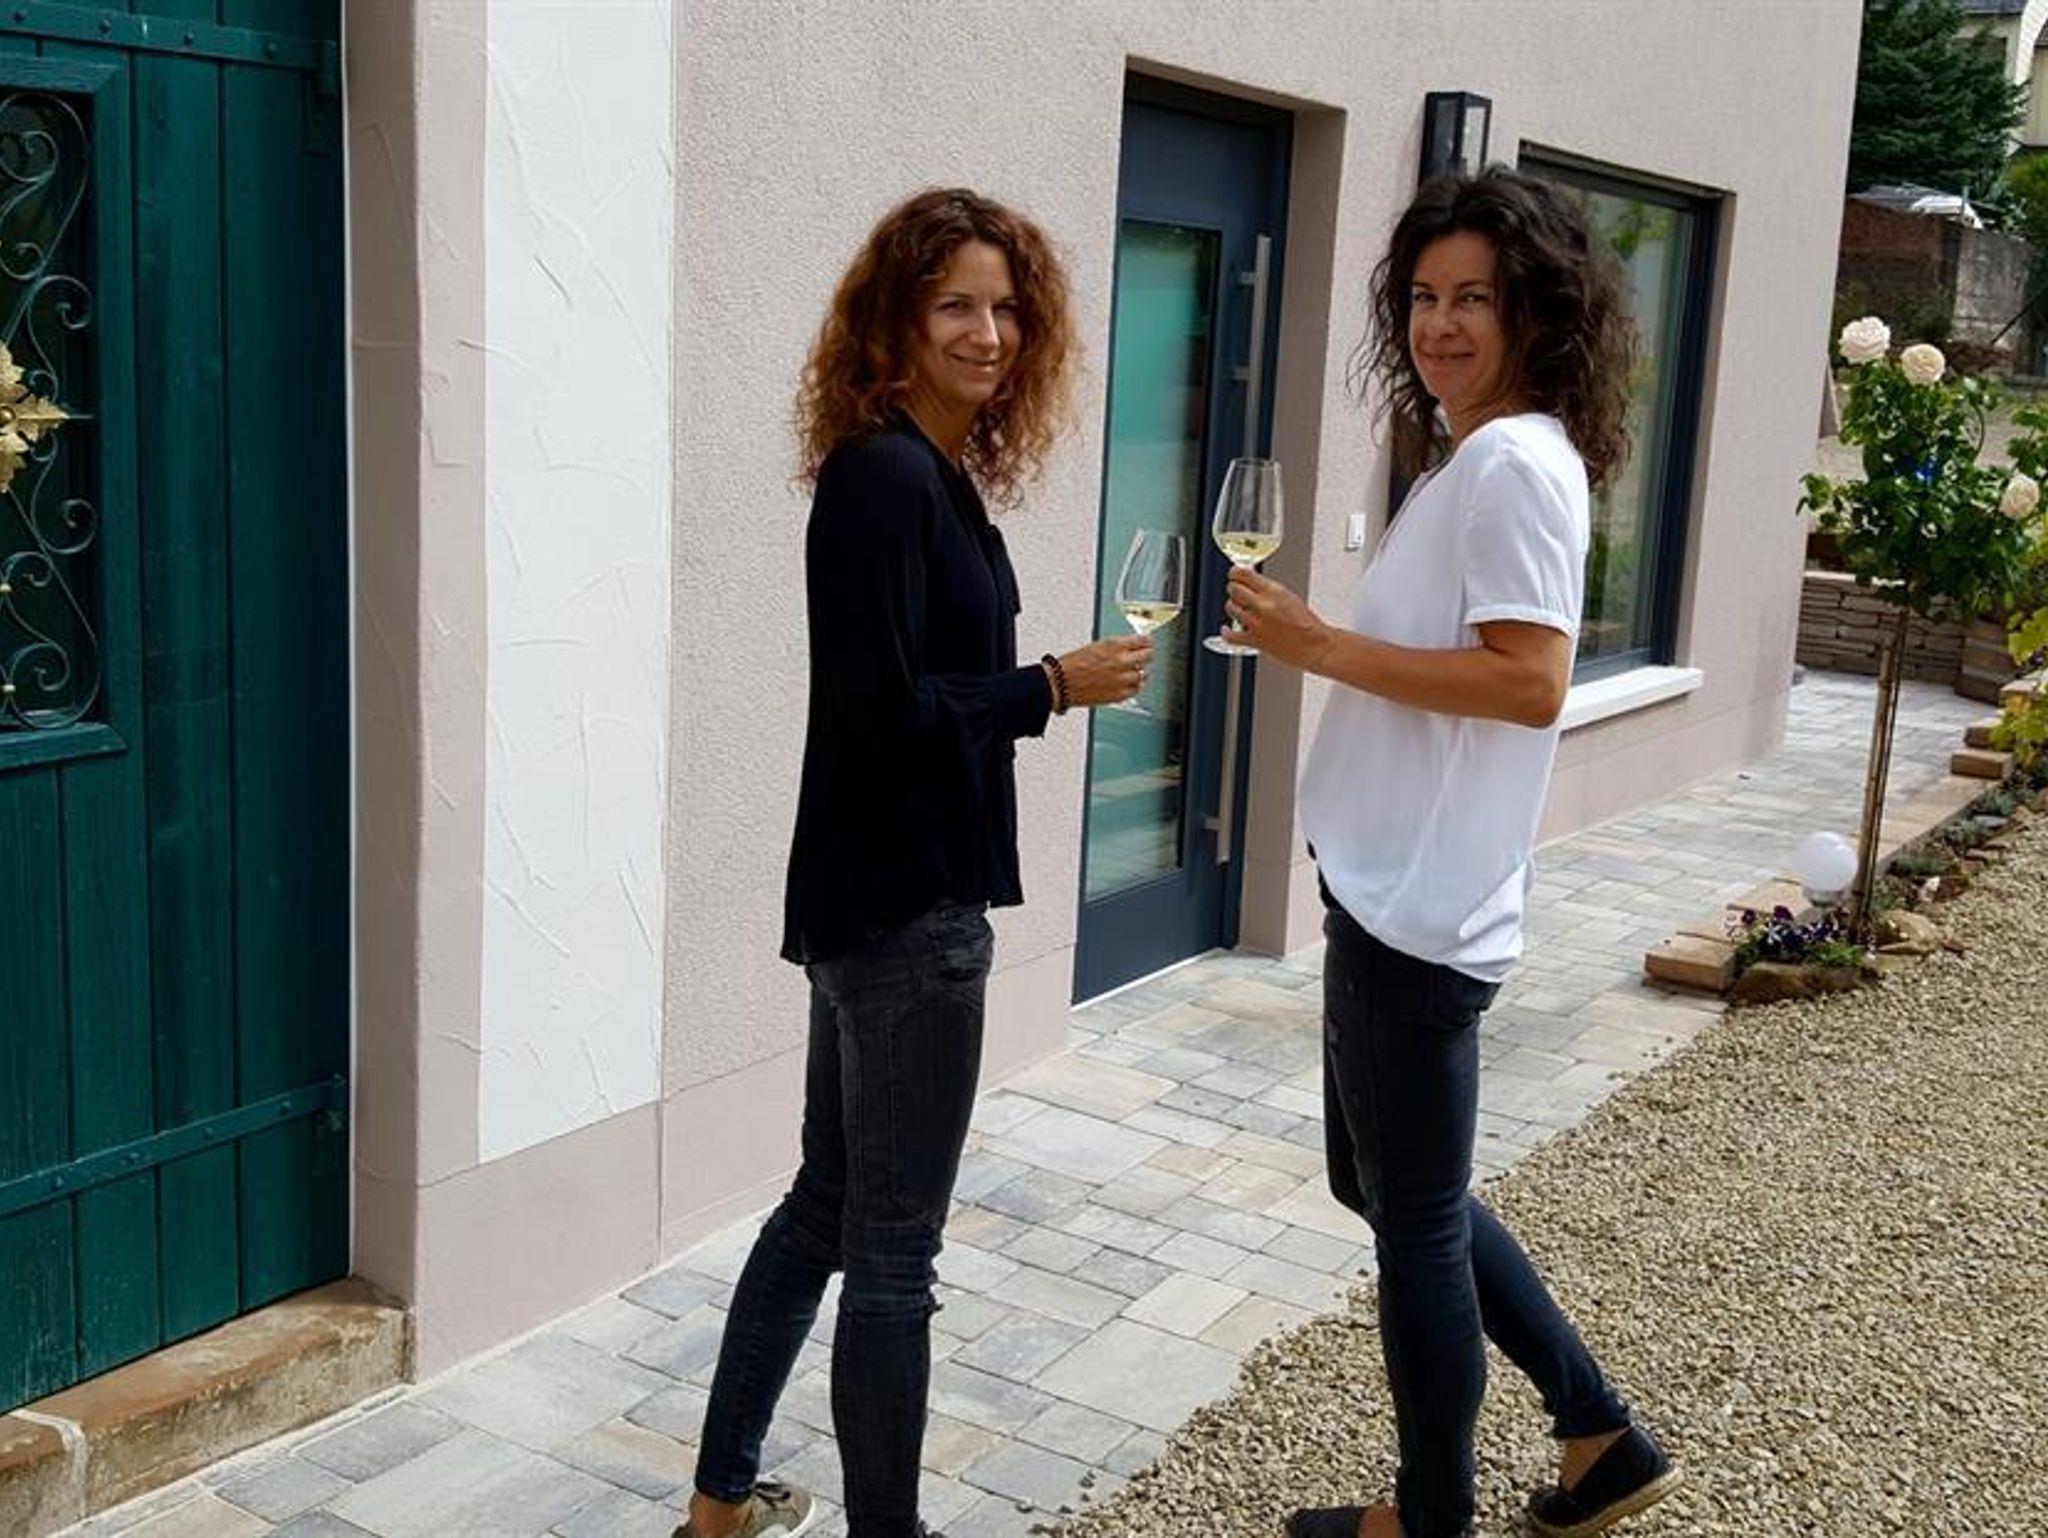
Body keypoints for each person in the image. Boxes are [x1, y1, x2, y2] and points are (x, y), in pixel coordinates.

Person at [675, 189, 1149, 1538]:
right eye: (956, 306)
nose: (988, 333)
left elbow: (900, 699)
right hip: (908, 912)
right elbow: (881, 718)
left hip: (868, 905)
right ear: (898, 320)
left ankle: (718, 1509)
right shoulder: (885, 478)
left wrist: (1030, 686)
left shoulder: (921, 475)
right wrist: (1050, 683)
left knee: (826, 1208)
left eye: (1006, 309)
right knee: (892, 1254)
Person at [1223, 168, 1680, 1538]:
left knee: (1413, 1217)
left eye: (1474, 297)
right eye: (1424, 297)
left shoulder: (1511, 463)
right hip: (1399, 887)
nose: (1440, 325)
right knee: (1382, 1184)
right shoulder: (1482, 454)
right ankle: (1598, 1434)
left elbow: (1530, 681)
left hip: (1416, 908)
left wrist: (1315, 644)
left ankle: (1430, 1518)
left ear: (1536, 310)